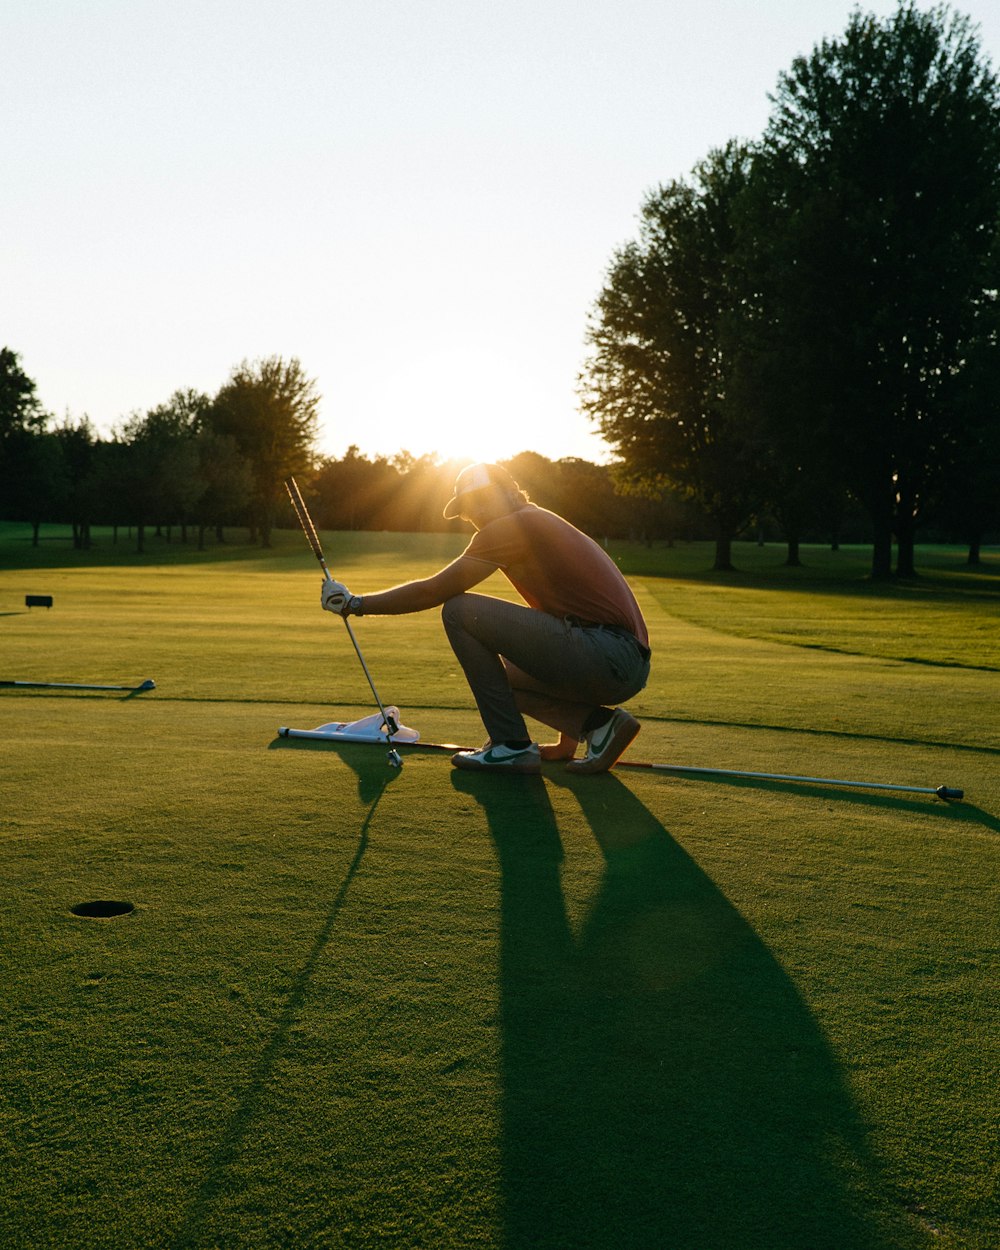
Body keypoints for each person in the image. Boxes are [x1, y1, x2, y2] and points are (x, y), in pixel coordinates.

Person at [320, 462, 651, 775]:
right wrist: (568, 741)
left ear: (506, 492)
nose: (473, 514)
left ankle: (511, 746)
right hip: (616, 658)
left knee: (460, 611)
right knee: (503, 682)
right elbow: (562, 617)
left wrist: (355, 603)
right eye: (466, 509)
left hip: (608, 653)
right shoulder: (534, 522)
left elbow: (431, 591)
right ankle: (598, 727)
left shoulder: (513, 526)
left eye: (480, 501)